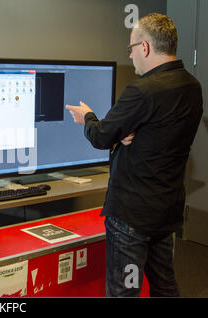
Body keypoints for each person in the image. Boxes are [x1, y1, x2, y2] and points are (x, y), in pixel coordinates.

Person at [66, 13, 203, 297]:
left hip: (132, 215)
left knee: (123, 291)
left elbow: (102, 136)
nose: (130, 56)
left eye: (131, 48)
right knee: (164, 285)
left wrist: (87, 117)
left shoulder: (142, 90)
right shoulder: (192, 86)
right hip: (166, 209)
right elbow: (162, 134)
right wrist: (129, 134)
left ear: (146, 47)